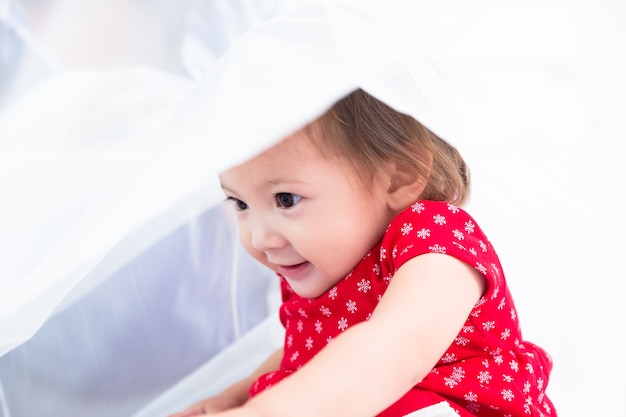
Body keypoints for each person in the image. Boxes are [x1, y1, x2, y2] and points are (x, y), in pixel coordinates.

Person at [169, 89, 557, 417]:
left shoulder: (435, 241)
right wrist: (234, 398)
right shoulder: (322, 263)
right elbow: (305, 353)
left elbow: (391, 351)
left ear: (399, 177)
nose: (259, 238)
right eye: (239, 204)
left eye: (285, 199)